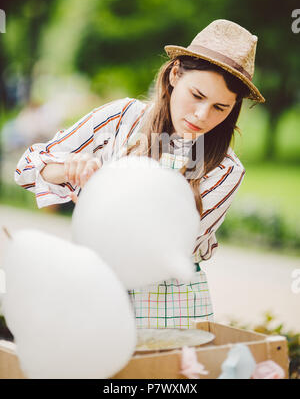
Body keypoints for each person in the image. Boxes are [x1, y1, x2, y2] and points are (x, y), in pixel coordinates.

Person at [14, 19, 266, 329]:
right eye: (197, 95)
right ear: (175, 74)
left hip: (173, 311)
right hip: (98, 293)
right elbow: (26, 168)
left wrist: (101, 199)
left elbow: (162, 249)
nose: (202, 116)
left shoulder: (225, 170)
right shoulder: (121, 118)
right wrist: (66, 168)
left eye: (220, 107)